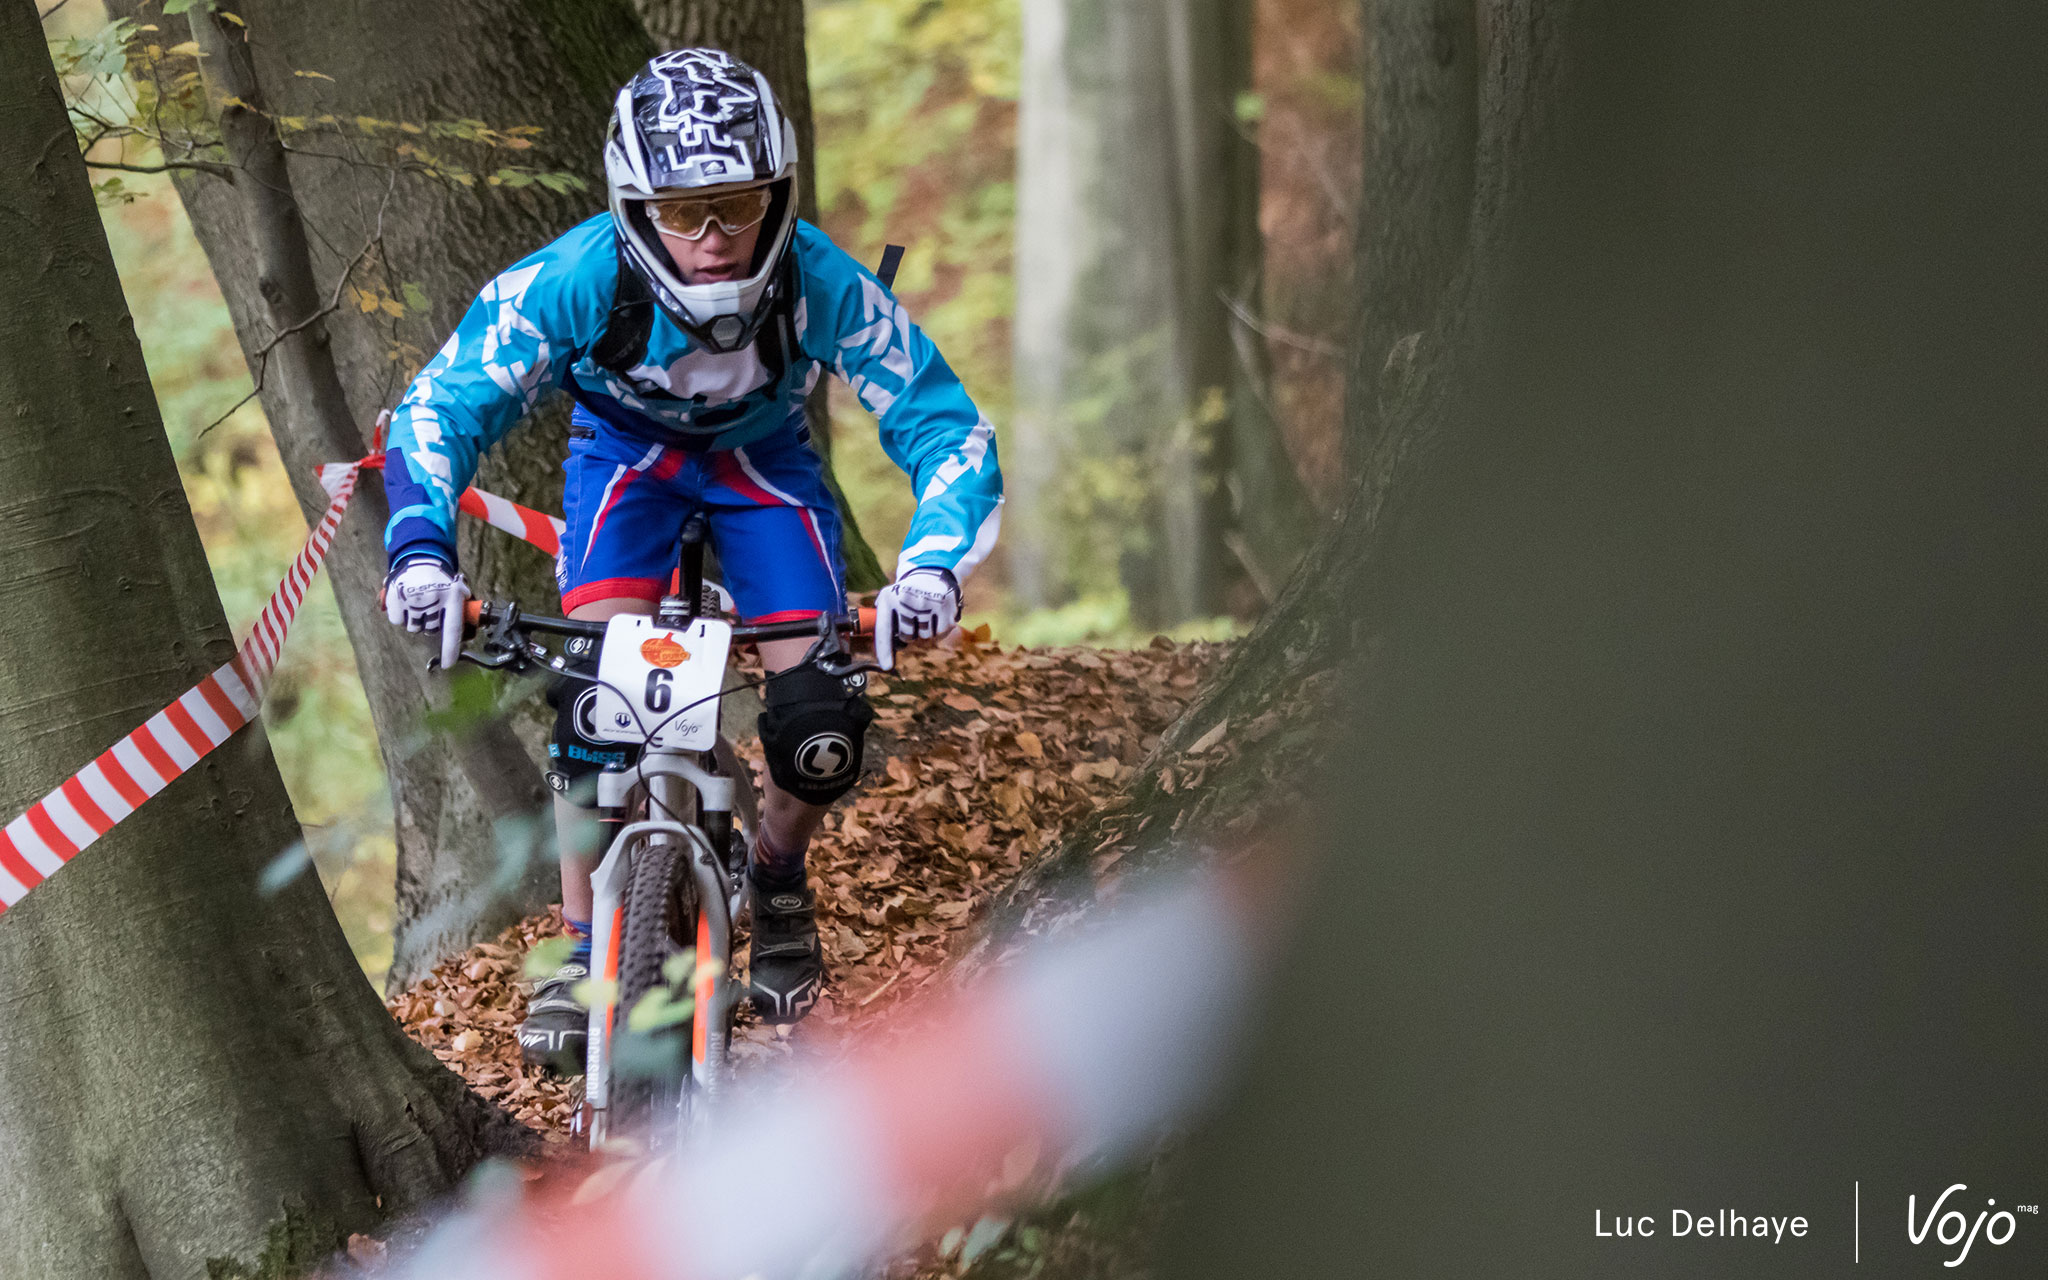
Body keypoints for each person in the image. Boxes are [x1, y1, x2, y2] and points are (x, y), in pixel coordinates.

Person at [376, 48, 1003, 1069]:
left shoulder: (815, 278)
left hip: (763, 466)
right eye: (680, 212)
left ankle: (777, 877)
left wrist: (930, 567)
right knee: (596, 704)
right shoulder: (578, 276)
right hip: (627, 466)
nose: (713, 239)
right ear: (633, 208)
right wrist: (419, 553)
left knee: (819, 726)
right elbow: (441, 405)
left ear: (778, 191)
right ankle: (588, 954)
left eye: (738, 203)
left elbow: (947, 430)